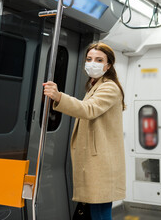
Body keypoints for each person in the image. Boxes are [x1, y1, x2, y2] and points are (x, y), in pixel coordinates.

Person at [43, 42, 126, 220]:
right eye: (89, 59)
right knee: (95, 213)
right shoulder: (95, 86)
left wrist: (58, 96)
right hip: (95, 162)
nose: (92, 63)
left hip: (101, 164)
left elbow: (88, 109)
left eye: (99, 59)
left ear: (108, 65)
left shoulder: (109, 87)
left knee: (100, 214)